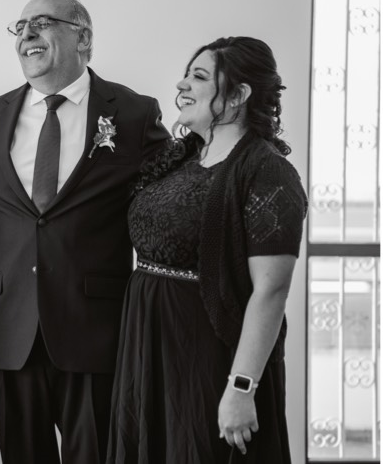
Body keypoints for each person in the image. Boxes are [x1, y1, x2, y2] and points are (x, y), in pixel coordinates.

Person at [0, 0, 170, 464]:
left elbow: (173, 201)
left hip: (95, 331)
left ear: (83, 38)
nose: (27, 34)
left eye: (41, 22)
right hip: (8, 331)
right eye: (20, 27)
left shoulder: (134, 113)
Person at [107, 36, 307, 463]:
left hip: (208, 355)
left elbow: (271, 290)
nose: (182, 84)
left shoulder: (268, 171)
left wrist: (241, 387)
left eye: (198, 76)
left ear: (237, 95)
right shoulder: (180, 158)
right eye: (186, 74)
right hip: (149, 346)